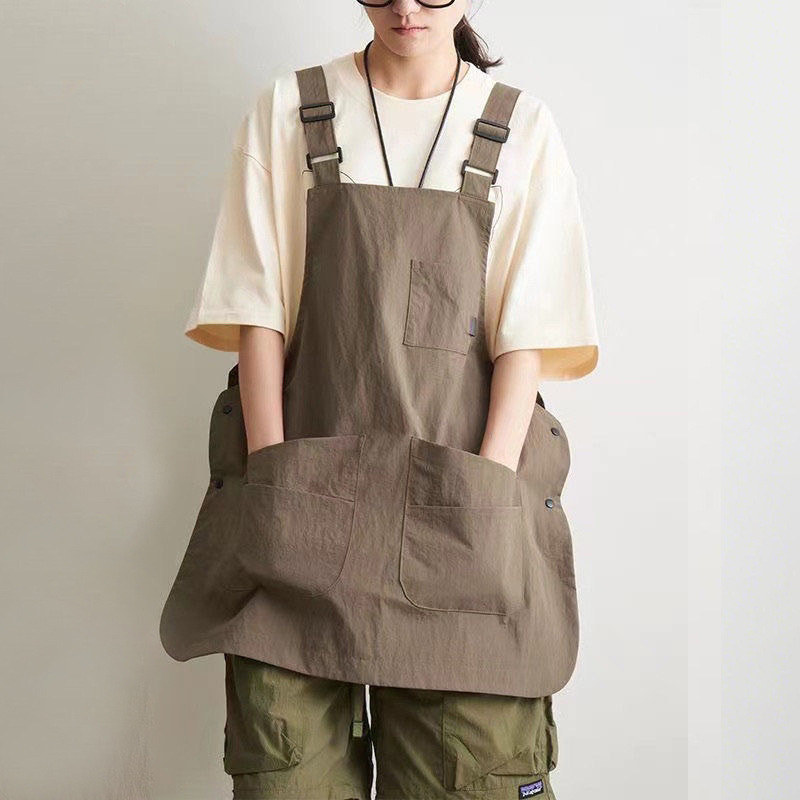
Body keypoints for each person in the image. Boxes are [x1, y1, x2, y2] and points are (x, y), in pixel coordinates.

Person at [159, 1, 600, 798]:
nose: (405, 7)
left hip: (466, 532)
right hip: (299, 518)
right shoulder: (289, 109)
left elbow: (525, 338)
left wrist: (483, 500)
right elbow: (259, 315)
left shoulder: (521, 128)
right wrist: (275, 481)